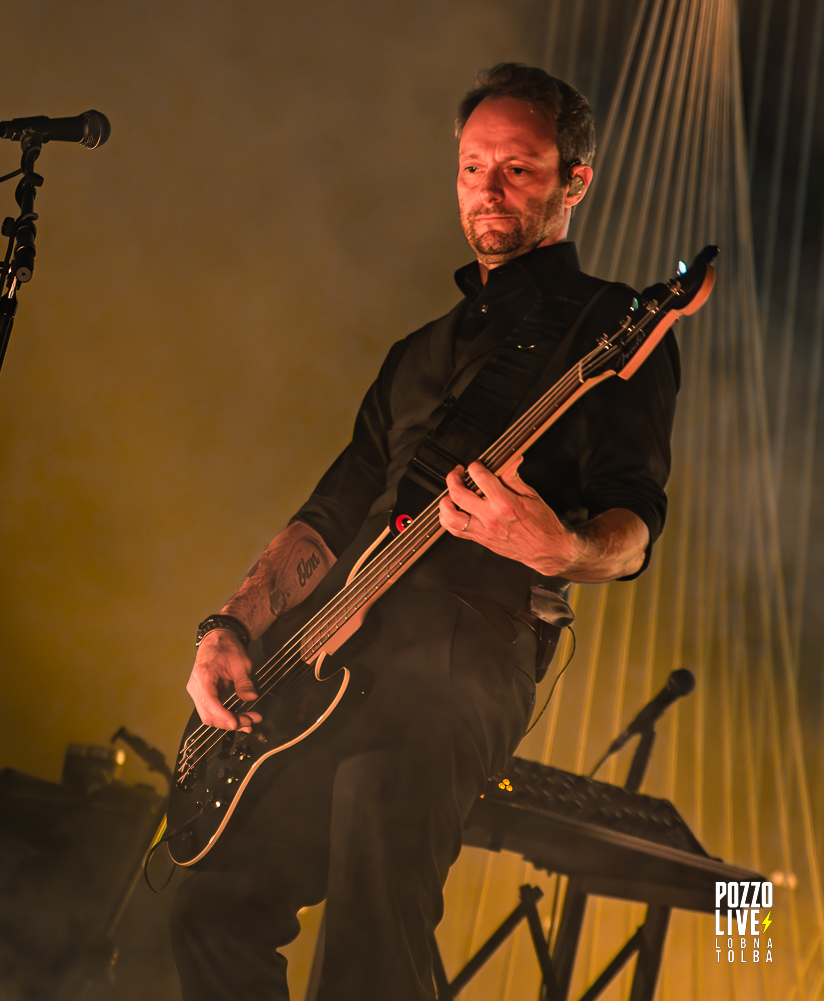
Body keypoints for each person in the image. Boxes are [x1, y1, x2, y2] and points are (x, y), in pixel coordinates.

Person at [170, 64, 679, 1000]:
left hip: (458, 659)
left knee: (370, 931)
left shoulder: (611, 325)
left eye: (519, 169)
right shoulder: (416, 353)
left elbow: (633, 524)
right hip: (324, 658)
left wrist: (557, 547)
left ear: (577, 181)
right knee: (206, 907)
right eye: (473, 166)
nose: (488, 188)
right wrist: (232, 626)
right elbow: (328, 512)